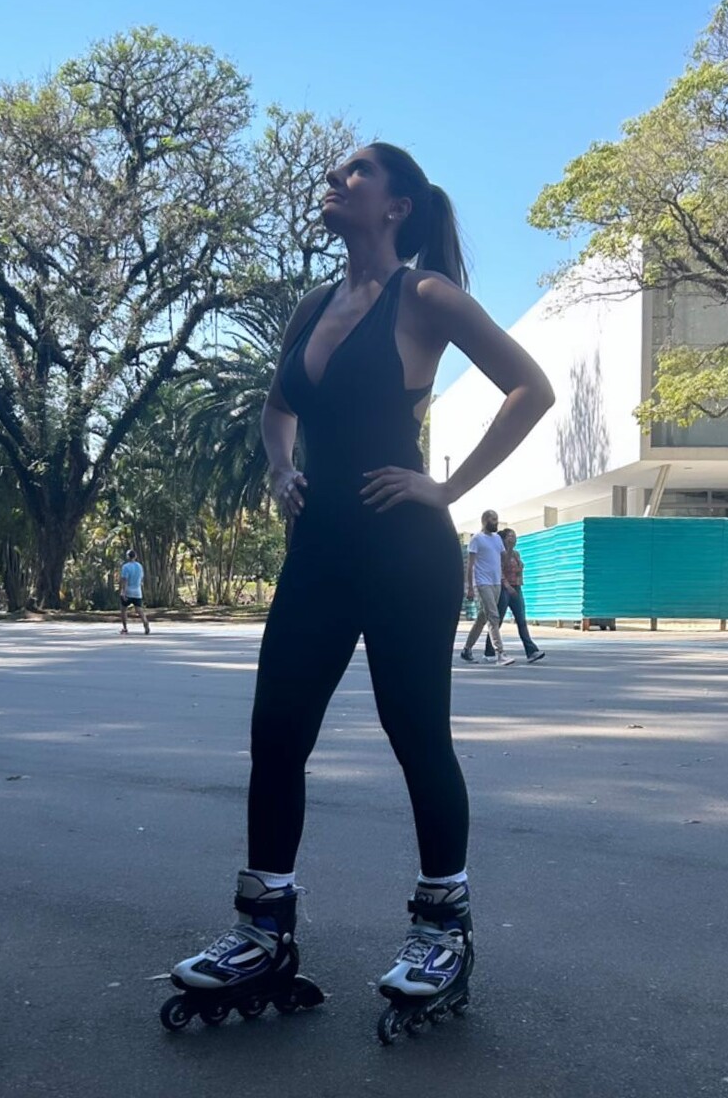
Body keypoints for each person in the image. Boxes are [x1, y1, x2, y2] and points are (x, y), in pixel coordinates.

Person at [165, 143, 554, 1034]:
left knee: (415, 734)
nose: (335, 182)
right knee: (276, 733)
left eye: (355, 174)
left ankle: (442, 933)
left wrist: (446, 490)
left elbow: (530, 390)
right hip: (319, 553)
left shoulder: (426, 297)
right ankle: (262, 932)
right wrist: (280, 468)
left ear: (397, 206)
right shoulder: (314, 305)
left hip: (403, 552)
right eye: (335, 172)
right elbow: (278, 407)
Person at [460, 511, 509, 664]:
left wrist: (509, 548)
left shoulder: (497, 539)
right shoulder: (477, 539)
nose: (496, 522)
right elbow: (470, 565)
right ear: (485, 520)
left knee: (483, 617)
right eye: (493, 519)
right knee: (493, 616)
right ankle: (500, 653)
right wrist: (469, 587)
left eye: (497, 519)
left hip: (496, 582)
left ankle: (466, 649)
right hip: (482, 583)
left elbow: (503, 557)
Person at [497, 529, 545, 663]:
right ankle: (490, 650)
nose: (513, 538)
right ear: (503, 539)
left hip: (517, 588)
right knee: (498, 621)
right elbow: (499, 571)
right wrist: (507, 586)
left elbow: (519, 570)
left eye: (514, 536)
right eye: (510, 536)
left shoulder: (516, 553)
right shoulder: (501, 554)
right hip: (505, 589)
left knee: (521, 620)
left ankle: (531, 651)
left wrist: (518, 583)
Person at [119, 550, 150, 635]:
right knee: (139, 609)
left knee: (123, 609)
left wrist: (123, 592)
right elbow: (141, 578)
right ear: (135, 556)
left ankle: (125, 628)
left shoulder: (126, 567)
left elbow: (125, 580)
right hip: (137, 591)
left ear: (128, 557)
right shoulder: (140, 566)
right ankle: (145, 622)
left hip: (128, 590)